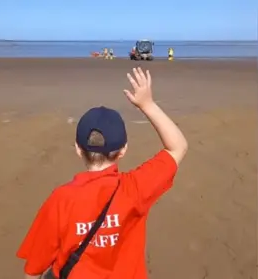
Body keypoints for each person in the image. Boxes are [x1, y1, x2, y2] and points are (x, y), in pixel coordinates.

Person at [16, 67, 188, 279]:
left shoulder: (60, 200)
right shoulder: (136, 188)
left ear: (78, 149)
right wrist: (147, 104)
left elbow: (33, 271)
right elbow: (177, 147)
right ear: (123, 149)